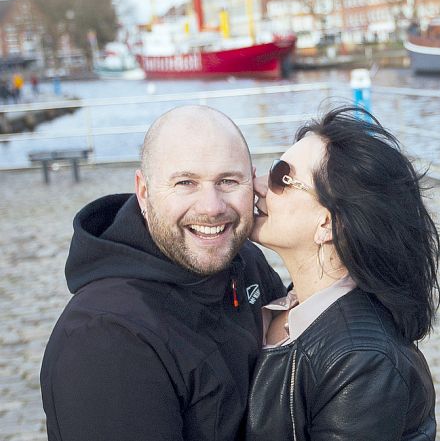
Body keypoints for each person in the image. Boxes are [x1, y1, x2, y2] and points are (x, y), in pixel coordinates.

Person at [40, 105, 287, 441]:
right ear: (144, 192)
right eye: (186, 182)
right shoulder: (105, 339)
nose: (212, 207)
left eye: (228, 181)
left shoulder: (245, 261)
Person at [246, 106, 439, 440]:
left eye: (281, 177)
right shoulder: (279, 301)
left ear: (328, 224)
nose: (258, 185)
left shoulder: (362, 361)